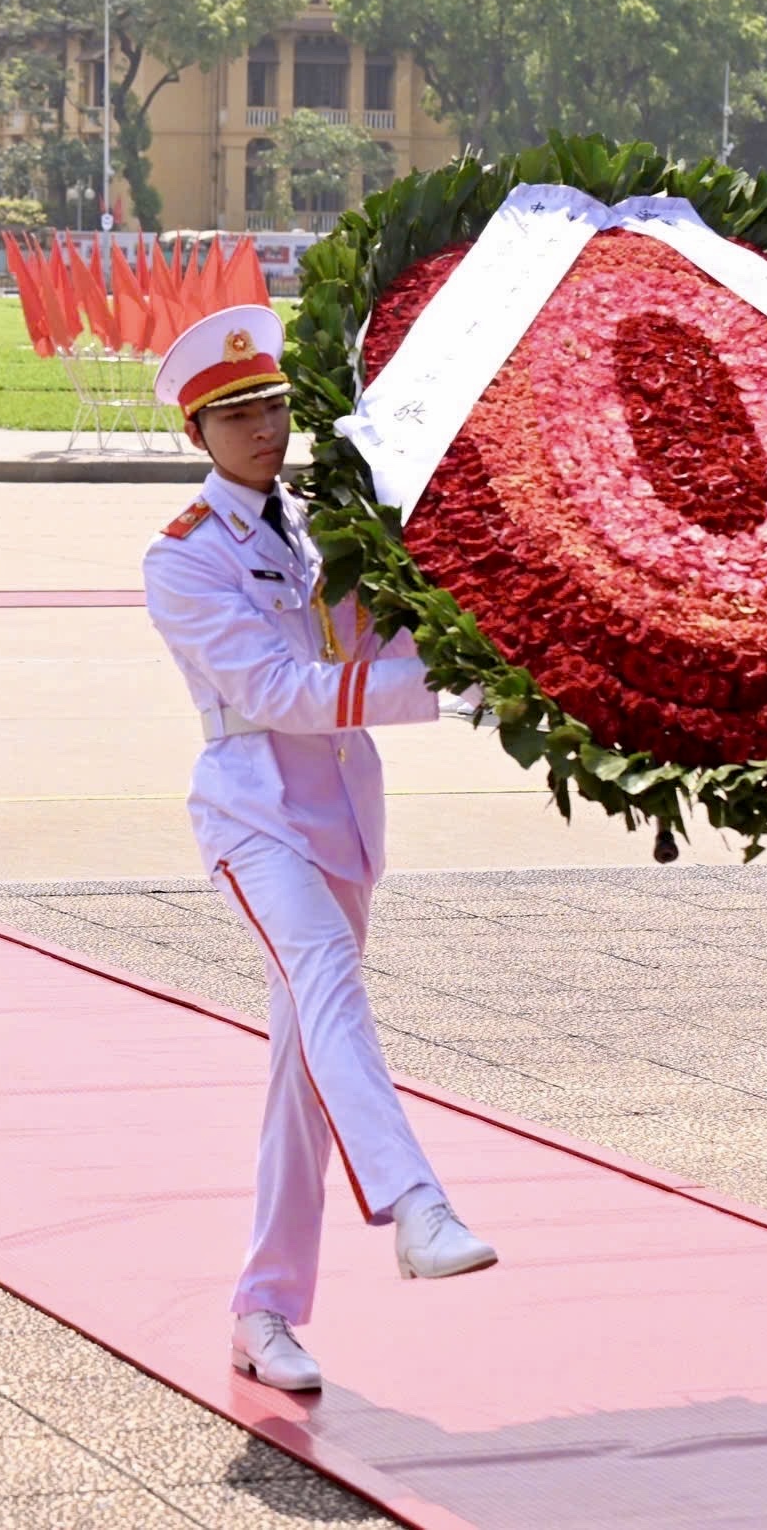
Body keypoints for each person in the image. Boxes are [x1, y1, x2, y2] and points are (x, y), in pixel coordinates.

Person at [142, 303, 496, 1398]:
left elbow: (384, 635)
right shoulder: (185, 558)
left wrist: (479, 645)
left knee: (300, 1072)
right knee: (330, 979)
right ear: (195, 431)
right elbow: (279, 691)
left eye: (274, 406)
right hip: (254, 811)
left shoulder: (323, 525)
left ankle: (263, 1308)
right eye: (236, 413)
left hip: (342, 813)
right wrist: (442, 689)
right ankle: (414, 1205)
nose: (263, 427)